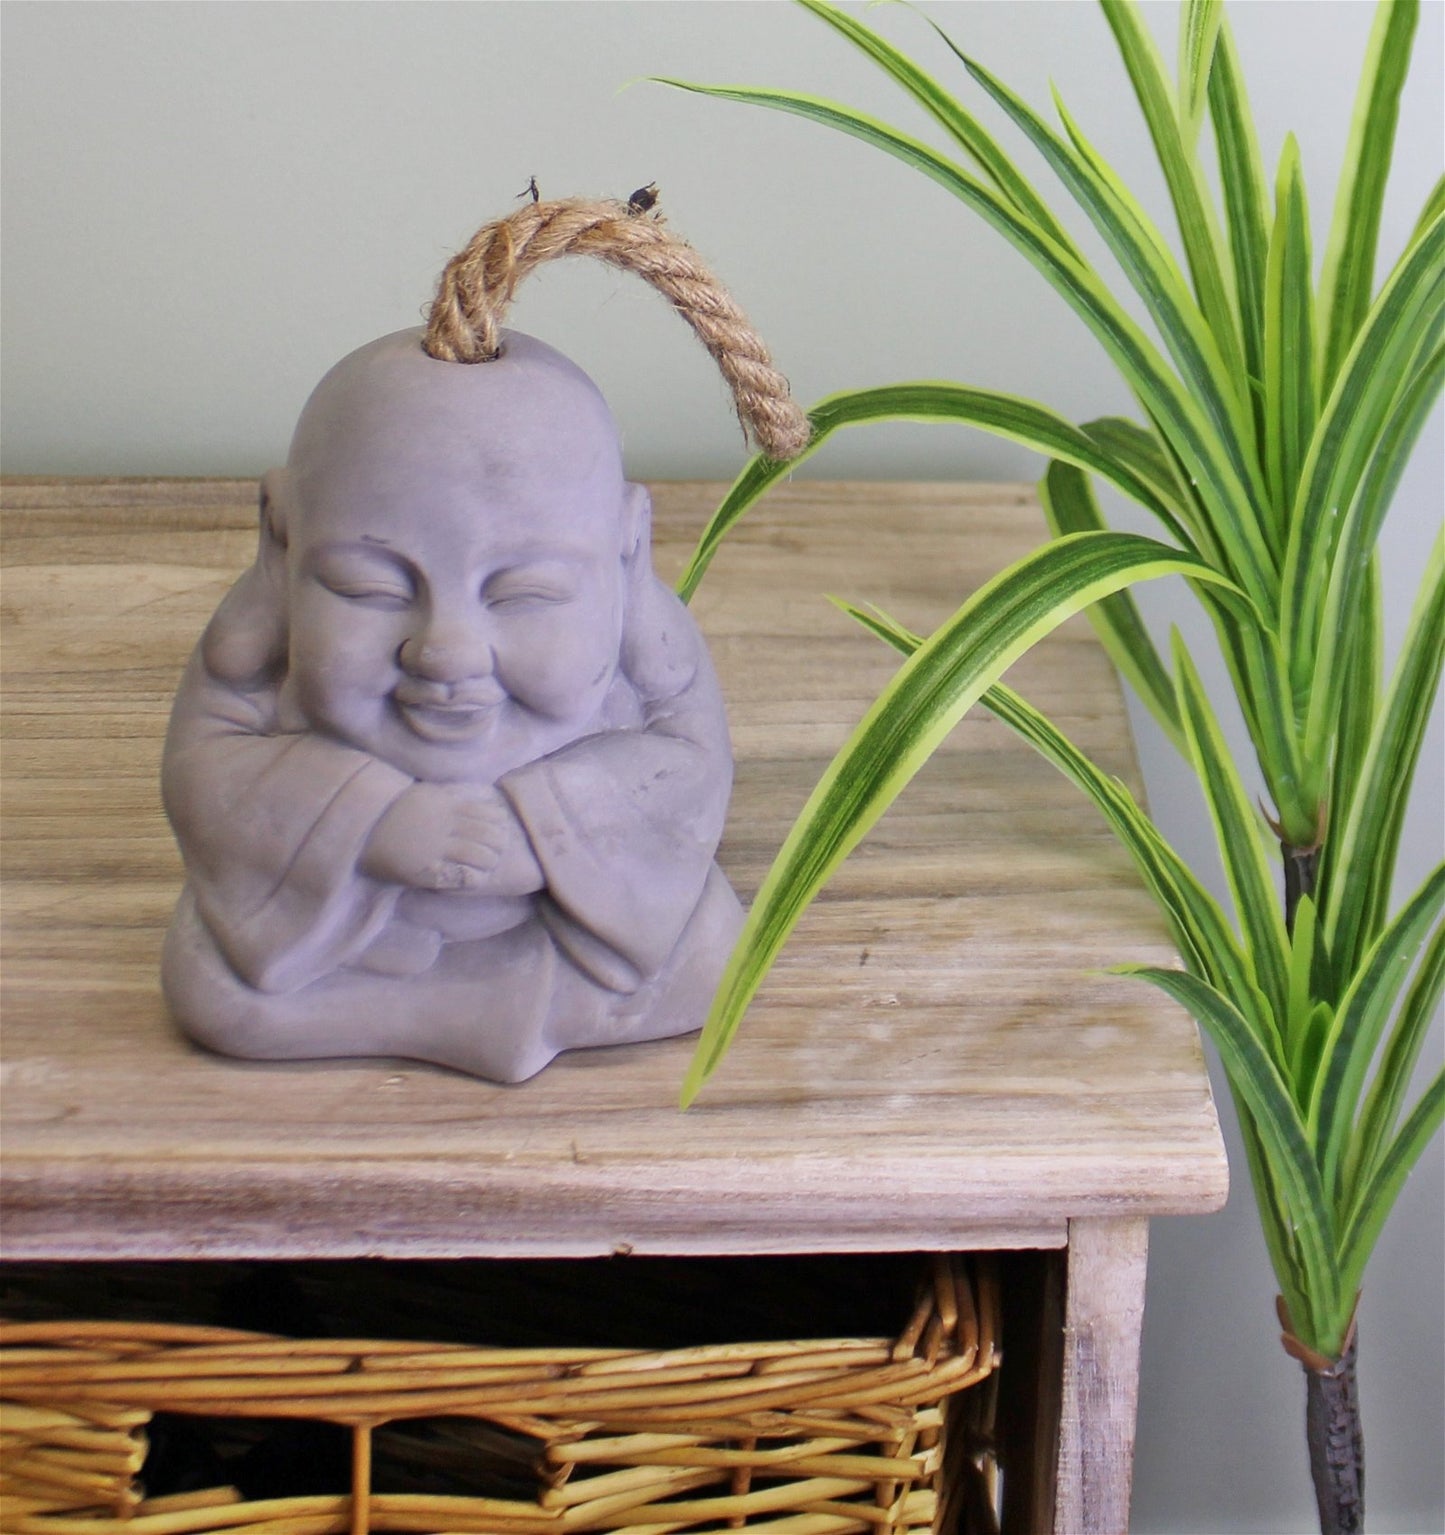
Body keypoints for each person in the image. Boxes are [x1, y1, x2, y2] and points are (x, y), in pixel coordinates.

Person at [162, 328, 742, 1082]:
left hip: (571, 939)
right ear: (282, 535)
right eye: (370, 586)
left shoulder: (652, 641)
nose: (445, 652)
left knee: (707, 951)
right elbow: (205, 768)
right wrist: (370, 821)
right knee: (212, 984)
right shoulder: (251, 649)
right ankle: (480, 1014)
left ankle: (471, 1008)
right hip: (348, 945)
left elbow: (690, 761)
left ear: (627, 545)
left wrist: (548, 829)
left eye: (526, 592)